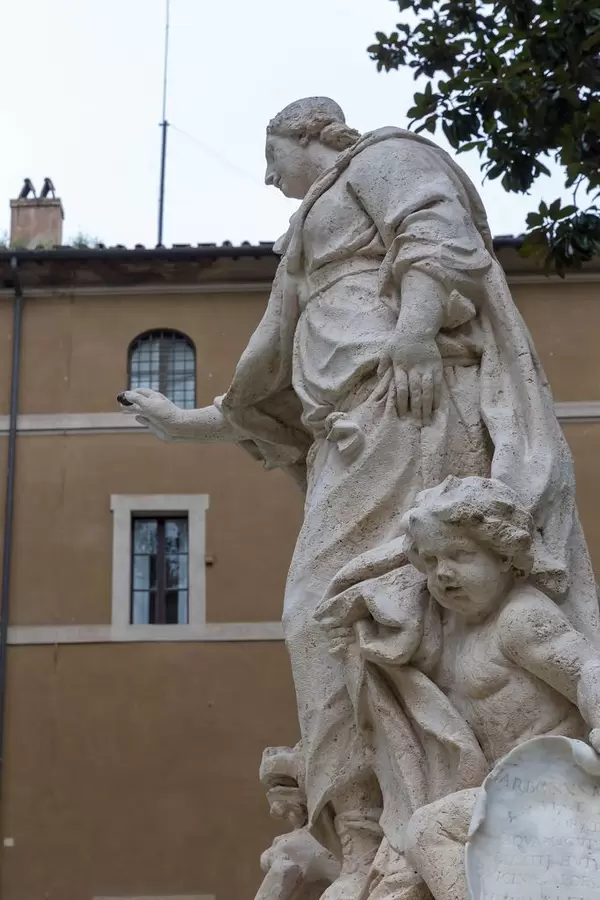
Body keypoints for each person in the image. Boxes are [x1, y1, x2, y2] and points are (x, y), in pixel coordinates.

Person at [119, 97, 599, 899]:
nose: (269, 175)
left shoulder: (381, 160)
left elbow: (435, 234)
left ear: (314, 135)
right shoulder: (303, 243)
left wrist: (412, 331)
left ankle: (395, 831)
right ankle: (364, 833)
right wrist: (188, 425)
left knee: (368, 603)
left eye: (273, 154)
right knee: (333, 618)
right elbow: (264, 375)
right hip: (349, 430)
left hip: (409, 398)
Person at [402, 475, 600, 900]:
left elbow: (588, 669)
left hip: (556, 787)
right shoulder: (451, 627)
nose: (444, 573)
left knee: (429, 829)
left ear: (505, 556)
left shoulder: (521, 618)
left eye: (460, 555)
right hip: (506, 789)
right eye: (432, 560)